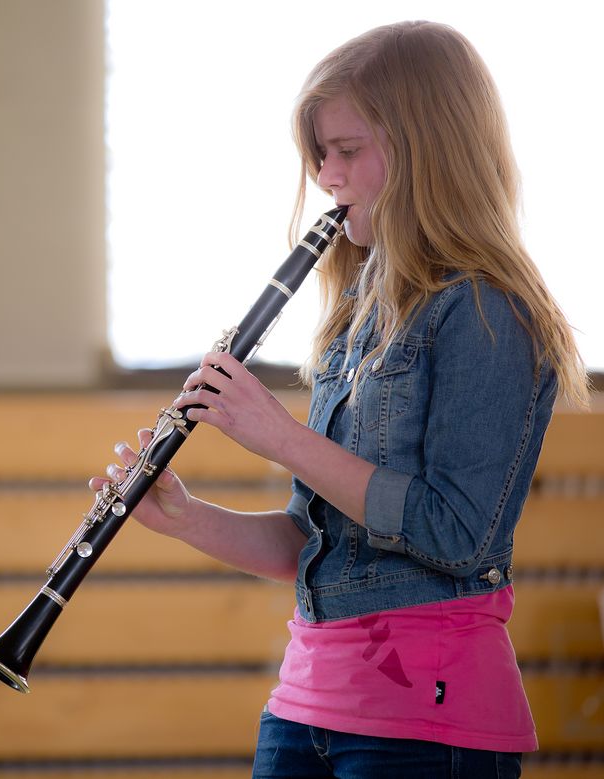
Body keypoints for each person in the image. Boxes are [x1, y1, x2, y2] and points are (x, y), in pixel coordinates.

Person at [91, 20, 589, 779]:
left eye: (347, 151)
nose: (326, 174)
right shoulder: (356, 317)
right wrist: (187, 518)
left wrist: (282, 437)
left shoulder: (488, 312)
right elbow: (315, 541)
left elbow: (460, 537)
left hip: (429, 719)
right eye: (320, 153)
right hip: (304, 707)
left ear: (428, 151)